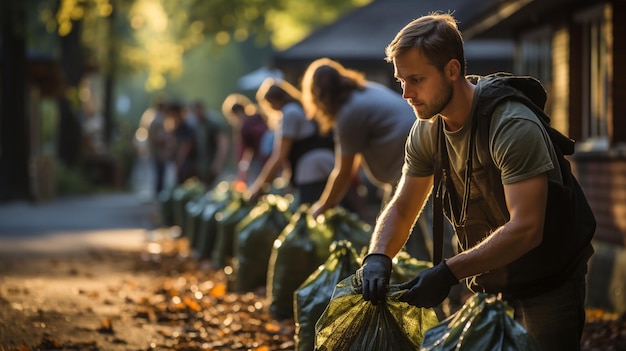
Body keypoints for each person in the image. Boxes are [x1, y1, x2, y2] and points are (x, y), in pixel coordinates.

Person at [358, 12, 595, 350]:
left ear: (452, 70)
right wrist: (378, 256)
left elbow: (527, 228)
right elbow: (403, 205)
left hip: (549, 280)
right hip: (492, 280)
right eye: (401, 81)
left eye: (417, 79)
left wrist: (447, 272)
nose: (406, 93)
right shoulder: (427, 129)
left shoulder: (511, 125)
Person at [301, 57, 435, 259]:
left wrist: (322, 207)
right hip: (422, 146)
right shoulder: (364, 91)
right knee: (401, 226)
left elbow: (344, 171)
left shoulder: (348, 113)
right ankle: (412, 274)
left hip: (413, 157)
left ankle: (443, 282)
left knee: (400, 227)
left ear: (318, 96)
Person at [246, 77, 335, 205]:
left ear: (272, 102)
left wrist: (259, 186)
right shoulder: (298, 108)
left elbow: (280, 155)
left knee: (310, 210)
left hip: (312, 168)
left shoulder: (289, 113)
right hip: (322, 163)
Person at [221, 94, 270, 187]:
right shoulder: (259, 116)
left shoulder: (244, 126)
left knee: (259, 182)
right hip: (270, 154)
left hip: (258, 159)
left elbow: (247, 150)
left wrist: (242, 168)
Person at [189, 100, 230, 186]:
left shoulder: (214, 122)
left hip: (214, 163)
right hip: (204, 165)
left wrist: (218, 163)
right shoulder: (198, 123)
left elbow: (223, 144)